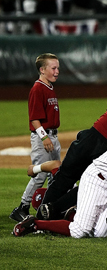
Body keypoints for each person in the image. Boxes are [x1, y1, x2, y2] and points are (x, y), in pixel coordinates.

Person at [13, 137, 107, 239]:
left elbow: (56, 166)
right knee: (79, 231)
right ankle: (35, 224)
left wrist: (37, 168)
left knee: (100, 233)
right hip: (97, 182)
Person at [37, 88, 107, 219]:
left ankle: (41, 217)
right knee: (93, 184)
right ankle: (55, 210)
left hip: (90, 137)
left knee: (63, 178)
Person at [10, 53, 61, 222]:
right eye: (53, 68)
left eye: (57, 68)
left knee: (55, 173)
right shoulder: (38, 88)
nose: (57, 71)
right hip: (43, 137)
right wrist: (44, 137)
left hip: (52, 136)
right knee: (39, 174)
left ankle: (52, 206)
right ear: (42, 69)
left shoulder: (49, 87)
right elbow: (34, 118)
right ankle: (22, 207)